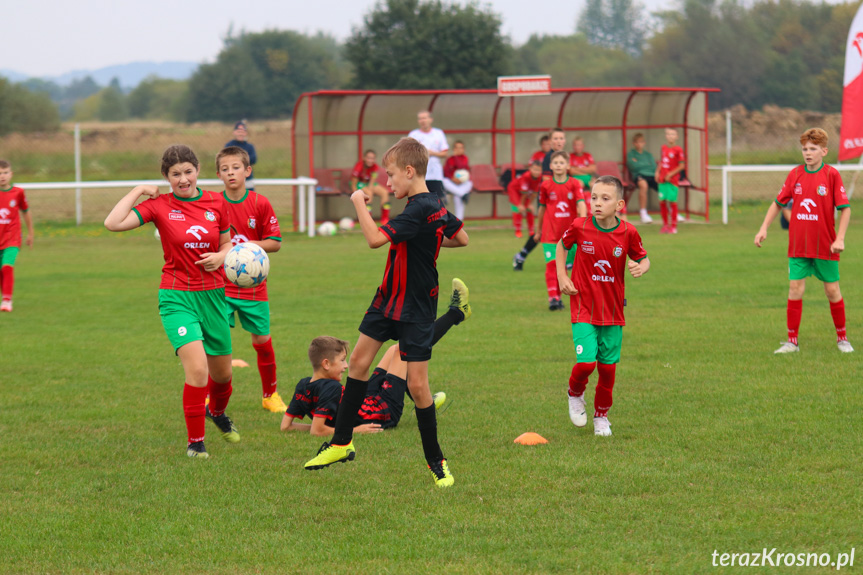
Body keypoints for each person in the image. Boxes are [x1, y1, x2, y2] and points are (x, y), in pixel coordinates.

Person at [303, 137, 469, 488]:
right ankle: (340, 443)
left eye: (391, 175)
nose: (388, 182)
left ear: (410, 172)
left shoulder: (419, 208)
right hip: (387, 299)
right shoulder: (435, 205)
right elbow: (461, 237)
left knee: (419, 387)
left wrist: (357, 203)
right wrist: (433, 238)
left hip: (418, 307)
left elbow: (375, 239)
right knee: (359, 365)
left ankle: (436, 463)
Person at [104, 144, 239, 459]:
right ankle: (195, 444)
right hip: (176, 296)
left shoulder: (217, 203)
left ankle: (217, 412)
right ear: (166, 176)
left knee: (223, 376)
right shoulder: (159, 206)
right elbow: (112, 223)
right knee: (197, 371)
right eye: (175, 174)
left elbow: (227, 243)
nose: (183, 179)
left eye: (188, 172)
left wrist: (220, 256)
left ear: (197, 170)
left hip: (214, 296)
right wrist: (138, 190)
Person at [281, 286, 471, 435]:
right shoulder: (331, 388)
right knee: (405, 349)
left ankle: (424, 401)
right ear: (326, 364)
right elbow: (318, 430)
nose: (346, 366)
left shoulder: (303, 385)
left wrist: (322, 425)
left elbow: (286, 427)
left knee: (392, 350)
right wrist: (354, 430)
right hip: (384, 409)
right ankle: (456, 313)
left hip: (366, 399)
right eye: (341, 361)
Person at [557, 175, 650, 437]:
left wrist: (639, 267)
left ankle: (601, 416)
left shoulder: (628, 232)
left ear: (619, 204)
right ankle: (575, 393)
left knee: (607, 369)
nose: (597, 203)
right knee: (586, 363)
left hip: (612, 311)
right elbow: (561, 246)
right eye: (594, 197)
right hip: (583, 306)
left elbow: (644, 258)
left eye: (605, 199)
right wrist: (563, 276)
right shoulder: (579, 226)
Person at [754, 128, 853, 354]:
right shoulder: (795, 174)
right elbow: (778, 203)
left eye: (813, 149)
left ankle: (842, 339)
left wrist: (840, 238)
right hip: (799, 246)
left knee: (832, 291)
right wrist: (763, 228)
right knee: (795, 288)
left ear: (824, 151)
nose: (807, 153)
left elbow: (845, 209)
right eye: (805, 149)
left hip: (826, 245)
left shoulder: (831, 175)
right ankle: (792, 342)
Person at [216, 146, 287, 413]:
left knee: (261, 341)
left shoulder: (260, 203)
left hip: (254, 286)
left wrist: (246, 250)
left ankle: (270, 395)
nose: (231, 173)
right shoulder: (214, 204)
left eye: (235, 167)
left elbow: (275, 242)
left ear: (248, 170)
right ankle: (213, 396)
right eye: (225, 169)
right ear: (219, 174)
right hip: (220, 285)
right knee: (216, 341)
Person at [535, 151, 586, 311]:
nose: (558, 165)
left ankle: (569, 297)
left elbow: (581, 203)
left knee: (564, 267)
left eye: (561, 162)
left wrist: (583, 224)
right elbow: (542, 209)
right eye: (555, 162)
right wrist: (538, 231)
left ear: (568, 165)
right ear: (550, 166)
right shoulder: (545, 185)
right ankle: (553, 298)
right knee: (552, 265)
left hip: (569, 235)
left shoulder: (574, 184)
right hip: (550, 234)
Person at [514, 128, 568, 271]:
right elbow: (547, 183)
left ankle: (567, 261)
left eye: (561, 138)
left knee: (566, 229)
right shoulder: (549, 158)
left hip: (562, 201)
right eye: (555, 138)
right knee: (543, 233)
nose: (559, 141)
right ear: (550, 141)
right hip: (549, 201)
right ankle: (521, 256)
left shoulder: (564, 157)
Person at [0, 160, 34, 312]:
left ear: (11, 174)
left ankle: (7, 300)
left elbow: (26, 212)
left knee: (7, 267)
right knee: (2, 270)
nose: (2, 176)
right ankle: (5, 298)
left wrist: (30, 233)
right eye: (0, 173)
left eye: (5, 172)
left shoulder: (18, 192)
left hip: (12, 238)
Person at [408, 110, 448, 201]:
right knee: (420, 200)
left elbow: (445, 153)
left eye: (425, 118)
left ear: (430, 119)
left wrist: (432, 153)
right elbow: (408, 154)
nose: (422, 121)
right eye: (420, 119)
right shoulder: (413, 134)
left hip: (435, 174)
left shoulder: (438, 133)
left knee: (437, 201)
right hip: (419, 174)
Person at [656, 128, 685, 234]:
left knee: (672, 202)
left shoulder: (678, 149)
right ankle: (665, 225)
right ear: (666, 136)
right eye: (668, 134)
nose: (670, 136)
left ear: (677, 137)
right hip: (663, 179)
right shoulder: (663, 148)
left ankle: (673, 226)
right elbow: (662, 162)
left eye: (673, 134)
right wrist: (657, 172)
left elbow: (682, 165)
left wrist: (671, 174)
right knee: (662, 201)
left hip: (672, 180)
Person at [350, 149, 390, 225]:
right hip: (358, 183)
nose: (370, 160)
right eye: (368, 158)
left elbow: (372, 182)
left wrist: (370, 188)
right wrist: (354, 194)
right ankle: (367, 220)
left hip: (367, 183)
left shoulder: (375, 167)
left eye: (372, 158)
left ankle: (385, 219)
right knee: (369, 193)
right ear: (364, 158)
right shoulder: (359, 166)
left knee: (385, 192)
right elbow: (353, 183)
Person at [625, 133, 658, 224]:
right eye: (637, 142)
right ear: (634, 143)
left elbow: (654, 167)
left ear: (644, 143)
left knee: (664, 186)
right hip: (639, 175)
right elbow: (633, 166)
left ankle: (671, 211)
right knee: (643, 186)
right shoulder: (631, 154)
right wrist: (645, 165)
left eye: (641, 142)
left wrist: (640, 164)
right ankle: (643, 213)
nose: (639, 144)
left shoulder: (648, 155)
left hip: (651, 175)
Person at [507, 160, 543, 238]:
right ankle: (518, 231)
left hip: (525, 193)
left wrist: (530, 204)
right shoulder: (526, 176)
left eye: (538, 170)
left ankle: (531, 231)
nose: (536, 172)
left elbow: (534, 193)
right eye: (534, 169)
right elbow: (524, 193)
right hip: (514, 190)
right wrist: (521, 205)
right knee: (518, 209)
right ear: (530, 169)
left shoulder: (540, 177)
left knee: (529, 209)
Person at [442, 141, 473, 220]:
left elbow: (461, 166)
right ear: (454, 149)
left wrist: (460, 180)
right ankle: (463, 195)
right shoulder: (450, 159)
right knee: (444, 181)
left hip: (462, 183)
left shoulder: (465, 158)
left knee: (469, 184)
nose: (459, 150)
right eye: (457, 148)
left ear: (464, 149)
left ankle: (459, 220)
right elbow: (446, 172)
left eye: (461, 148)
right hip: (452, 183)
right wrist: (453, 178)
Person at [225, 121, 257, 190]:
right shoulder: (229, 146)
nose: (240, 134)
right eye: (239, 131)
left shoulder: (250, 146)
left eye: (243, 132)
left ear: (246, 133)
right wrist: (244, 160)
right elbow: (226, 159)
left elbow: (253, 159)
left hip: (247, 177)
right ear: (234, 132)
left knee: (250, 198)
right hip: (232, 178)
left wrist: (237, 161)